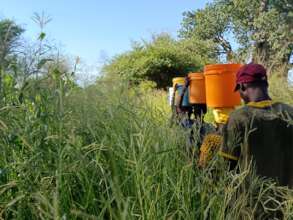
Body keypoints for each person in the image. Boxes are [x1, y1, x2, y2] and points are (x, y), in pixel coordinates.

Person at [218, 63, 293, 187]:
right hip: (287, 200)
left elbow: (227, 165)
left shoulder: (239, 118)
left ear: (242, 86)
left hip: (253, 201)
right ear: (266, 84)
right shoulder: (289, 112)